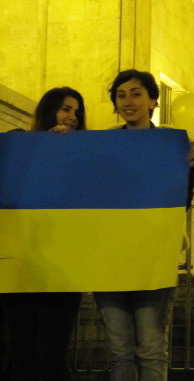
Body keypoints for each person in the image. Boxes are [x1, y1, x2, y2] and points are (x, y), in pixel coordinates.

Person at [93, 69, 194, 381]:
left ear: (153, 101)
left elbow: (179, 203)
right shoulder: (102, 146)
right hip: (110, 263)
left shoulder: (171, 147)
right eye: (121, 95)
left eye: (135, 93)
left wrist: (191, 171)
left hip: (152, 261)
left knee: (150, 349)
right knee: (120, 354)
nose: (128, 101)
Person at [1, 86, 86, 381]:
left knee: (51, 354)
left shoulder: (84, 159)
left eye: (77, 111)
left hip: (61, 272)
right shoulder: (18, 144)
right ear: (49, 111)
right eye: (66, 108)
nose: (72, 116)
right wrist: (46, 147)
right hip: (21, 269)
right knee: (22, 353)